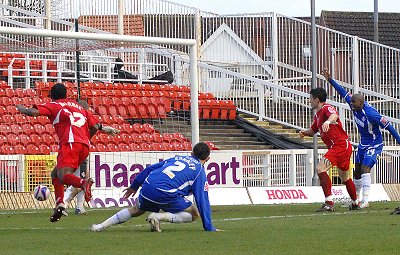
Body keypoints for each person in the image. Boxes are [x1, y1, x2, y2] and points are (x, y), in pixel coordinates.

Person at [17, 83, 103, 222]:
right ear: (66, 94)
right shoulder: (79, 107)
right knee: (55, 174)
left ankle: (83, 183)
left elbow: (33, 113)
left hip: (69, 143)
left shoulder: (55, 105)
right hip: (85, 146)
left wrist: (20, 108)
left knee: (63, 176)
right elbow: (95, 126)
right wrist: (86, 139)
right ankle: (60, 204)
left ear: (52, 95)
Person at [90, 142, 221, 232]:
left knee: (137, 210)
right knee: (194, 213)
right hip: (166, 193)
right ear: (208, 159)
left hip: (147, 186)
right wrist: (208, 226)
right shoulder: (199, 171)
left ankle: (100, 226)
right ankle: (158, 217)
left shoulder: (177, 158)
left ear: (191, 153)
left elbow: (150, 168)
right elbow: (202, 199)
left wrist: (134, 186)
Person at [322, 68, 400, 209]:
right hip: (363, 144)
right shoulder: (354, 106)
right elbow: (342, 92)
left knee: (365, 169)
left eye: (353, 103)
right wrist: (330, 79)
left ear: (360, 103)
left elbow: (388, 126)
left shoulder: (371, 114)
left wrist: (399, 140)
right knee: (356, 171)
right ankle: (355, 200)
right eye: (351, 102)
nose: (350, 105)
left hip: (374, 145)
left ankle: (365, 200)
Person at [299, 87, 359, 212]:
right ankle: (355, 202)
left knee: (320, 168)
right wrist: (304, 133)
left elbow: (334, 115)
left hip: (340, 145)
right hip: (342, 147)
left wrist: (328, 121)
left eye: (310, 99)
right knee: (345, 177)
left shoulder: (326, 108)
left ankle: (329, 202)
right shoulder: (317, 116)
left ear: (316, 100)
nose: (309, 101)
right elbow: (313, 130)